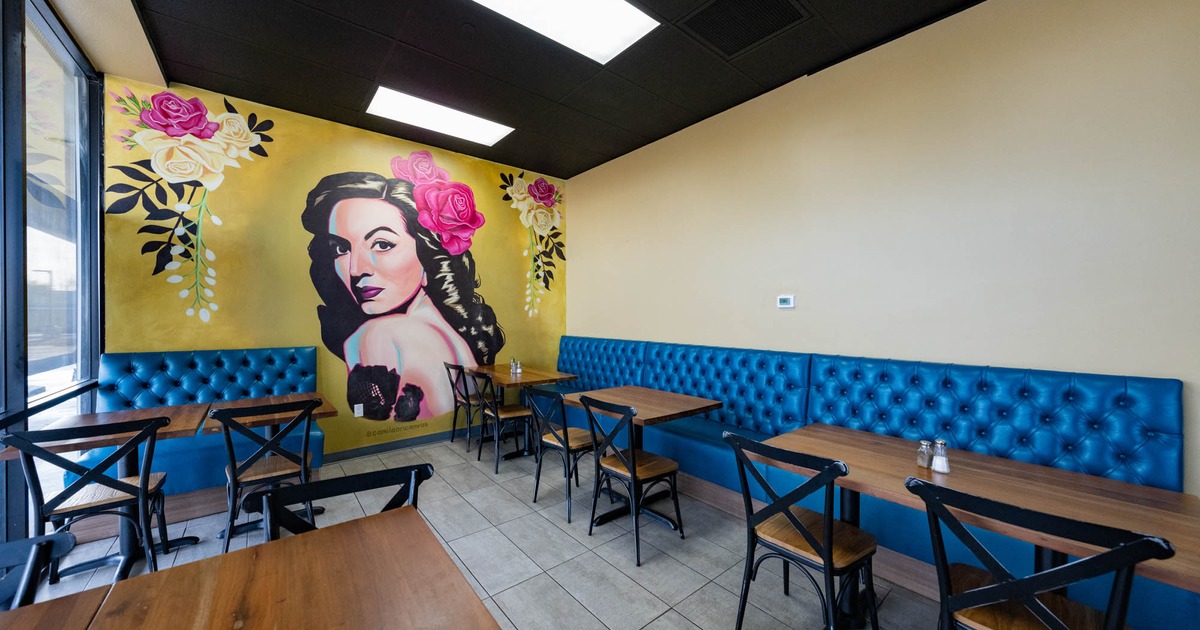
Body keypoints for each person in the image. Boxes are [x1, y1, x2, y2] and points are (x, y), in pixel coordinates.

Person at [301, 171, 504, 421]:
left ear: (425, 256)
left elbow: (369, 430)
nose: (355, 269)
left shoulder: (378, 334)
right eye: (341, 249)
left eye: (382, 244)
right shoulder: (445, 330)